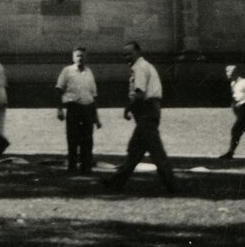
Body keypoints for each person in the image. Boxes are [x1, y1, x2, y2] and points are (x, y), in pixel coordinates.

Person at [105, 40, 176, 193]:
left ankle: (171, 184)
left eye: (130, 54)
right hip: (150, 111)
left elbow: (139, 93)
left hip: (146, 111)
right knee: (135, 151)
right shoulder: (144, 66)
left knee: (156, 151)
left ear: (138, 52)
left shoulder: (140, 68)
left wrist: (127, 108)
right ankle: (116, 181)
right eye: (124, 55)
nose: (127, 57)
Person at [55, 46, 101, 174]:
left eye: (82, 56)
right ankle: (72, 166)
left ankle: (86, 166)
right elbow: (58, 89)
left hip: (87, 109)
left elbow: (93, 96)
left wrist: (96, 118)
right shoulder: (67, 71)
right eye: (78, 56)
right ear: (73, 57)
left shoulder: (89, 72)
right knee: (73, 138)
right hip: (73, 108)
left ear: (86, 57)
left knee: (87, 138)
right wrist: (59, 109)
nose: (80, 58)